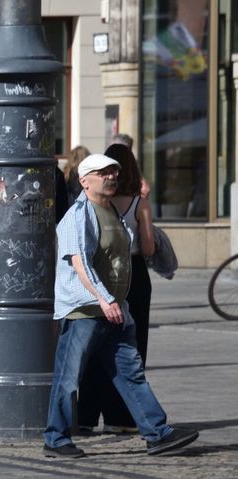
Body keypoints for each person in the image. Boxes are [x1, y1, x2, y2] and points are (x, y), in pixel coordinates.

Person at [43, 154, 199, 459]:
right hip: (85, 311)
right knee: (68, 377)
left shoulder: (112, 209)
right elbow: (80, 263)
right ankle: (56, 438)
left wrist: (118, 303)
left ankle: (158, 433)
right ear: (85, 181)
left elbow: (118, 260)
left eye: (113, 172)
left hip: (113, 310)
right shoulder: (78, 214)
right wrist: (104, 298)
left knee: (131, 373)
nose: (111, 177)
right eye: (103, 173)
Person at [77, 143, 158, 434]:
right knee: (130, 345)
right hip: (134, 275)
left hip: (100, 273)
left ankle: (84, 415)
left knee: (93, 344)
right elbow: (148, 247)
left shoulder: (95, 200)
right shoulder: (139, 201)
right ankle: (120, 418)